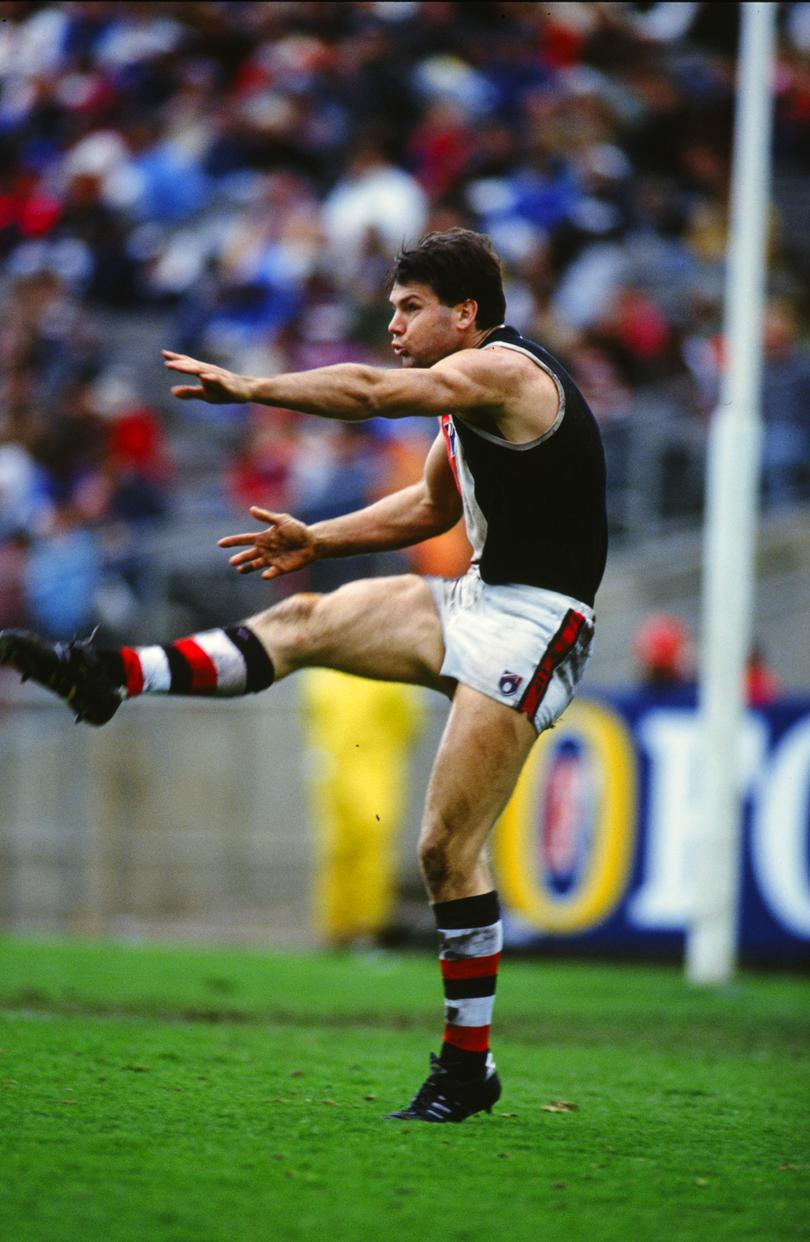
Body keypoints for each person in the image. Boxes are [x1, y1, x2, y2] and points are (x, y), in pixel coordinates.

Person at [0, 229, 607, 1123]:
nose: (392, 323)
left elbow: (366, 392)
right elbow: (435, 504)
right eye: (392, 308)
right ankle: (108, 675)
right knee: (303, 620)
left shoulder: (506, 374)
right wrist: (318, 539)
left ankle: (468, 1068)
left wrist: (251, 388)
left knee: (444, 848)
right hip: (482, 597)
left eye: (410, 308)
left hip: (541, 624)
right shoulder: (466, 398)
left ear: (465, 314)